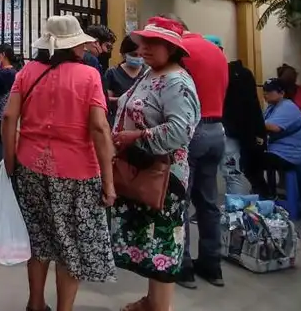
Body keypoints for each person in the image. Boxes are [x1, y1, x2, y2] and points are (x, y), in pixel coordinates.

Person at [3, 16, 117, 311]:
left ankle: (36, 304)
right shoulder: (89, 76)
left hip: (30, 166)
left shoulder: (27, 71)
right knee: (71, 246)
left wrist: (10, 161)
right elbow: (100, 128)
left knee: (39, 240)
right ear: (74, 46)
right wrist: (109, 182)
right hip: (77, 173)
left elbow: (8, 117)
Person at [110, 16, 201, 311]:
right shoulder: (151, 75)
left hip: (164, 176)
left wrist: (135, 136)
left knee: (163, 243)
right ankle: (152, 302)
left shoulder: (177, 82)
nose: (145, 48)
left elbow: (180, 131)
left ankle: (160, 306)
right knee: (153, 245)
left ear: (172, 48)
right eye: (144, 42)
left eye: (154, 43)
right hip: (143, 168)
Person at [167, 15, 229, 289]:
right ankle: (212, 265)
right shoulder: (216, 51)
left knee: (180, 200)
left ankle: (184, 267)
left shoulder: (182, 52)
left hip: (192, 130)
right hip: (217, 130)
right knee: (208, 202)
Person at [222, 51, 267, 196]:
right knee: (234, 174)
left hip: (229, 131)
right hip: (240, 131)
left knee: (231, 173)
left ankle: (237, 211)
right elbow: (253, 106)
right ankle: (238, 211)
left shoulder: (230, 75)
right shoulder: (242, 73)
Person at [254, 78, 301, 199]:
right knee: (252, 157)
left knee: (260, 160)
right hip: (278, 150)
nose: (265, 94)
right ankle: (265, 191)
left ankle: (270, 194)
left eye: (270, 91)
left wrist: (252, 121)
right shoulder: (272, 107)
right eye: (265, 91)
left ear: (281, 93)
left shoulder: (287, 107)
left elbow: (274, 127)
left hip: (290, 153)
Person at [103, 35, 144, 128]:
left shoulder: (148, 72)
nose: (138, 58)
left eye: (141, 55)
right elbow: (106, 99)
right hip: (119, 123)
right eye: (134, 55)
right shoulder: (112, 73)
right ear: (124, 54)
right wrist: (123, 99)